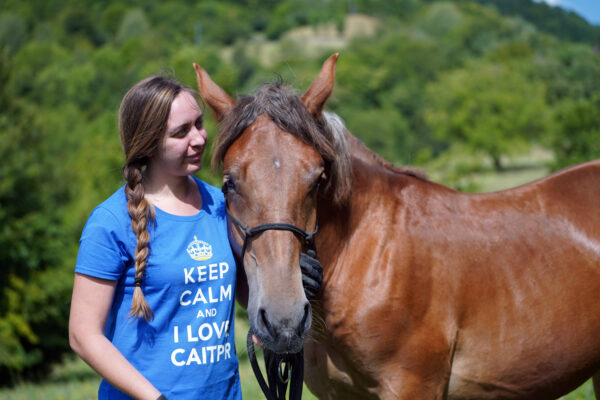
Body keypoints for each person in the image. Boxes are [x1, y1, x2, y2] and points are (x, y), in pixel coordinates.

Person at [68, 75, 243, 399]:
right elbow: (83, 335)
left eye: (199, 124)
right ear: (148, 143)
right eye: (181, 132)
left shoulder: (221, 204)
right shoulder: (109, 223)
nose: (199, 139)